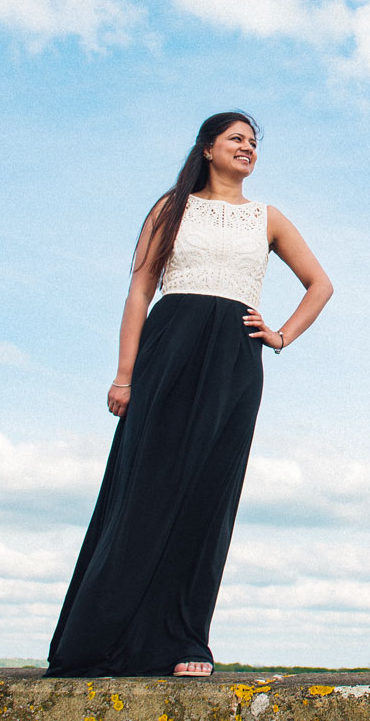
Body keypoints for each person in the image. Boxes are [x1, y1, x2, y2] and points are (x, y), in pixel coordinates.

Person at [47, 111, 333, 678]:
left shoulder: (267, 218)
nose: (247, 148)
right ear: (207, 148)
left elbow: (321, 284)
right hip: (168, 351)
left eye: (254, 142)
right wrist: (123, 375)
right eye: (236, 139)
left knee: (209, 497)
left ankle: (184, 643)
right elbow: (140, 289)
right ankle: (101, 637)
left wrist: (279, 336)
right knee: (144, 490)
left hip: (234, 360)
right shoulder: (170, 206)